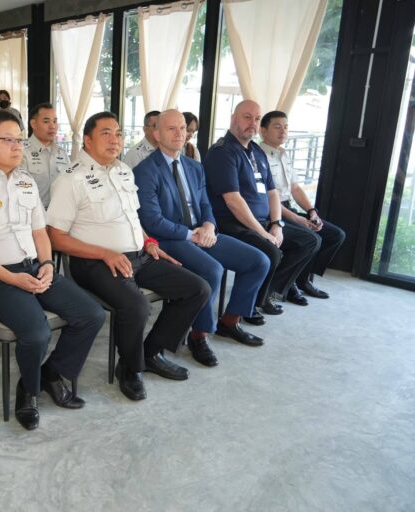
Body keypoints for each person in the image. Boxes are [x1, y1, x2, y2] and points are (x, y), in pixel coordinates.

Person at [0, 109, 104, 430]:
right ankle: (28, 391)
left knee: (91, 314)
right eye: (8, 140)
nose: (17, 146)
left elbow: (39, 233)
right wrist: (12, 278)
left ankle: (52, 374)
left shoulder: (26, 182)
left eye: (19, 140)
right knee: (37, 333)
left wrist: (46, 264)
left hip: (34, 268)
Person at [47, 112, 209, 401]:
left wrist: (148, 241)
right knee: (137, 306)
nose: (115, 140)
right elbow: (55, 237)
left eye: (119, 134)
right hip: (94, 262)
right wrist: (104, 253)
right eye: (106, 134)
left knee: (197, 288)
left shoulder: (123, 170)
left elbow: (131, 218)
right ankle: (130, 368)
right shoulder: (71, 179)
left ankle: (150, 353)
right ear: (87, 140)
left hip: (138, 255)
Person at [133, 110, 270, 366]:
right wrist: (190, 235)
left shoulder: (194, 167)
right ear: (157, 134)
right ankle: (199, 335)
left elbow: (206, 204)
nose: (179, 133)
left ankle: (230, 321)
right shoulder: (145, 170)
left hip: (201, 233)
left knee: (258, 261)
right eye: (171, 128)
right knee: (212, 270)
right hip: (170, 239)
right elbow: (152, 222)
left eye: (182, 128)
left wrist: (208, 225)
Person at [203, 100, 319, 323]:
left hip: (263, 221)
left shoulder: (256, 150)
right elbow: (233, 201)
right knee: (270, 252)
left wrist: (276, 225)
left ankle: (263, 295)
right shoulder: (223, 152)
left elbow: (272, 192)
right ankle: (234, 317)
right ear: (233, 119)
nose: (253, 123)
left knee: (309, 241)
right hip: (232, 223)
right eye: (247, 117)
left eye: (257, 119)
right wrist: (263, 233)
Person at [260, 110, 345, 299]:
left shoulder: (283, 153)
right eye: (277, 127)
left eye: (286, 127)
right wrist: (298, 219)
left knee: (335, 235)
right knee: (311, 239)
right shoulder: (259, 156)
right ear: (263, 131)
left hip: (288, 207)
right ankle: (280, 288)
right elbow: (267, 198)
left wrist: (311, 212)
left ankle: (301, 279)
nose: (283, 131)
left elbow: (295, 188)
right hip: (272, 212)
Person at [21, 102, 70, 208]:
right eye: (46, 121)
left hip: (59, 213)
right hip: (32, 213)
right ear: (33, 124)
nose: (52, 126)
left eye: (55, 121)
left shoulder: (61, 153)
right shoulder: (22, 151)